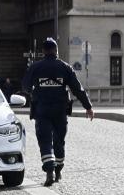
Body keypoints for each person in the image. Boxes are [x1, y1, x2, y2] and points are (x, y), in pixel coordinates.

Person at [22, 38, 95, 186]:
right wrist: (88, 107)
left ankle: (49, 171)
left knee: (45, 141)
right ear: (56, 50)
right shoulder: (65, 67)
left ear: (43, 51)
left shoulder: (35, 67)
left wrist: (35, 90)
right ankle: (58, 170)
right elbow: (77, 89)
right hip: (60, 110)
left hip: (42, 110)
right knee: (59, 141)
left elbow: (25, 86)